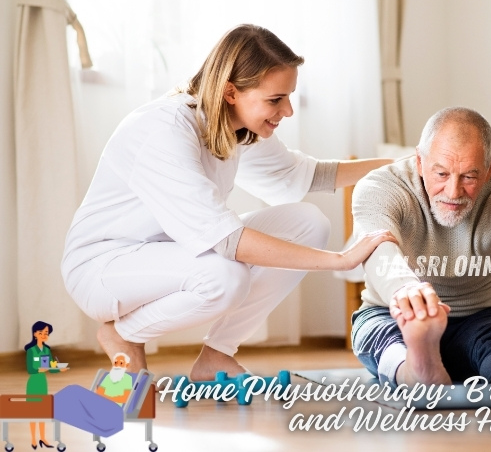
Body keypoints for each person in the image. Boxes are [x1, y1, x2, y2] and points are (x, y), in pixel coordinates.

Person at [61, 24, 396, 382]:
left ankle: (216, 356)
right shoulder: (164, 129)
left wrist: (401, 168)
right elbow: (226, 240)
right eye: (275, 100)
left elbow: (302, 175)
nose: (288, 111)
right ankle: (123, 334)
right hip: (105, 265)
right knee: (225, 276)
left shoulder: (236, 124)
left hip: (173, 251)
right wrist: (341, 260)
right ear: (231, 91)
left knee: (308, 223)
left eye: (288, 96)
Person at [351, 107, 491, 387]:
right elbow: (379, 249)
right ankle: (414, 370)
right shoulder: (380, 186)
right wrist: (405, 290)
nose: (453, 192)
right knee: (385, 340)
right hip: (394, 314)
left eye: (469, 177)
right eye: (441, 174)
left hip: (481, 316)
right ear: (419, 161)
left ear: (489, 168)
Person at [24, 321, 66, 449]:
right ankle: (33, 439)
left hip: (43, 382)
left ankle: (43, 438)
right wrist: (39, 370)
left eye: (46, 333)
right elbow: (30, 369)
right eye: (41, 332)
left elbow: (51, 366)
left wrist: (59, 369)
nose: (44, 335)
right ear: (35, 334)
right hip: (33, 382)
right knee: (33, 412)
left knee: (42, 411)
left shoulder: (47, 350)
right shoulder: (31, 350)